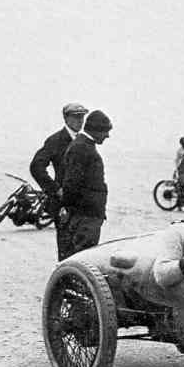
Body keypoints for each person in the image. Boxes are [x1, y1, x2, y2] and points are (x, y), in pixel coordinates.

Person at [30, 102, 89, 260]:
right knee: (66, 250)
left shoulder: (84, 141)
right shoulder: (55, 140)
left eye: (82, 117)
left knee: (84, 251)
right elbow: (36, 167)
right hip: (64, 204)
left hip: (83, 205)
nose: (80, 121)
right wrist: (55, 189)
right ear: (66, 118)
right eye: (76, 117)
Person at [59, 110, 113, 259]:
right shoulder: (81, 148)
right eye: (105, 131)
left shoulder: (84, 146)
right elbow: (71, 183)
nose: (107, 136)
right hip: (85, 217)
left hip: (87, 216)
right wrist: (74, 212)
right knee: (82, 258)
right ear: (96, 130)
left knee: (82, 257)